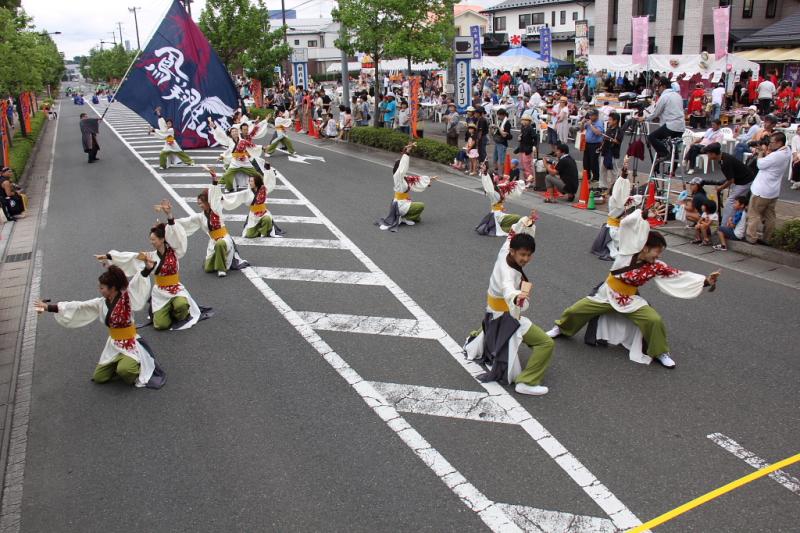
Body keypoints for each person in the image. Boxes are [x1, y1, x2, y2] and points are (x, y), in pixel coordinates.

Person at [547, 211, 720, 369]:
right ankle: (562, 329)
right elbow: (626, 224)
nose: (658, 256)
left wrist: (705, 281)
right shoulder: (626, 252)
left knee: (654, 320)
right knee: (576, 310)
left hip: (630, 299)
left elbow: (678, 275)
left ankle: (659, 351)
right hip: (607, 293)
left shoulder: (656, 266)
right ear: (645, 248)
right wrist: (643, 214)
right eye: (657, 251)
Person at [464, 211, 554, 396]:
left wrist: (526, 223)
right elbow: (508, 288)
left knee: (490, 327)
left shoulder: (506, 249)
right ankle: (527, 382)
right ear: (513, 251)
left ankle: (479, 337)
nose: (526, 259)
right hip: (505, 318)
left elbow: (514, 231)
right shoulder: (508, 273)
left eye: (529, 255)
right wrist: (518, 296)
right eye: (522, 255)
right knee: (546, 343)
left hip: (492, 311)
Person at [35, 263, 165, 388]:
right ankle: (121, 363)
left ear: (112, 288)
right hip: (114, 345)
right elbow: (78, 306)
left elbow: (138, 284)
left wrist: (147, 270)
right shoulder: (100, 303)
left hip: (130, 343)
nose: (100, 290)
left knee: (126, 372)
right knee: (99, 378)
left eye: (102, 287)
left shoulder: (127, 298)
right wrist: (48, 307)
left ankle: (136, 364)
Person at [106, 200, 207, 330]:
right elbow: (131, 257)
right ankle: (164, 309)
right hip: (160, 292)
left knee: (181, 305)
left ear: (162, 239)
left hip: (176, 289)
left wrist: (169, 214)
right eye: (150, 239)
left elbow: (176, 234)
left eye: (153, 239)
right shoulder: (150, 256)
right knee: (160, 325)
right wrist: (110, 257)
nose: (151, 242)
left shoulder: (175, 251)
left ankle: (177, 309)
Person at [175, 186, 248, 277]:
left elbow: (216, 195)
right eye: (198, 204)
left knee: (220, 243)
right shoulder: (200, 217)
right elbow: (186, 221)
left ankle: (222, 269)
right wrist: (170, 220)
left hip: (224, 238)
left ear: (208, 202)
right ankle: (217, 261)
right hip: (213, 241)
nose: (200, 206)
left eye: (201, 203)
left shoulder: (216, 210)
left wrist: (214, 181)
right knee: (208, 268)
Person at [377, 142, 437, 231]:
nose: (403, 167)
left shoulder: (404, 177)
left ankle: (405, 217)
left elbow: (416, 179)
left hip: (402, 202)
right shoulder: (397, 177)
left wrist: (429, 180)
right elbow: (402, 167)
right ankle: (404, 217)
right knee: (421, 206)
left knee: (418, 218)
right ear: (399, 168)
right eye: (401, 166)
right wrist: (407, 152)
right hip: (400, 205)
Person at [746, 131, 791, 244]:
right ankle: (767, 239)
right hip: (773, 191)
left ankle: (751, 237)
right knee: (770, 216)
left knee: (754, 214)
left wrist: (761, 152)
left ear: (779, 142)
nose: (770, 144)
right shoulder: (787, 151)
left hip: (761, 191)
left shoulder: (777, 155)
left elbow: (760, 164)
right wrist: (767, 150)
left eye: (772, 142)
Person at [591, 158, 640, 261]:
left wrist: (624, 175)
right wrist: (623, 175)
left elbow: (631, 197)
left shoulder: (623, 201)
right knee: (616, 248)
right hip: (612, 230)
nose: (627, 190)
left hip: (616, 228)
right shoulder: (615, 201)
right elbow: (620, 189)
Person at [208, 119, 268, 192]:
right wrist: (214, 127)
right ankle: (230, 188)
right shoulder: (229, 141)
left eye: (236, 131)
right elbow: (221, 135)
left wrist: (262, 147)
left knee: (255, 174)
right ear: (230, 134)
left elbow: (252, 146)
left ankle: (262, 184)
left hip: (245, 161)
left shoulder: (242, 140)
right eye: (233, 131)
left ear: (238, 132)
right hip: (235, 162)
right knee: (227, 175)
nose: (235, 132)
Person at [702, 143, 755, 223]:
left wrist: (721, 188)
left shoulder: (725, 162)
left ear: (713, 154)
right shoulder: (723, 157)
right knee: (736, 202)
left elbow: (730, 180)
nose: (707, 155)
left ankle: (725, 225)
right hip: (740, 179)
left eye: (708, 154)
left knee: (730, 201)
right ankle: (733, 220)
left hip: (745, 181)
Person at [640, 78, 685, 164]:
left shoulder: (664, 97)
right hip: (681, 126)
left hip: (671, 126)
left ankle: (664, 154)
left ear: (663, 86)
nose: (658, 89)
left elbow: (655, 113)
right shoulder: (677, 95)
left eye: (659, 87)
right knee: (673, 146)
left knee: (652, 137)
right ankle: (672, 170)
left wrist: (644, 118)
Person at [475, 165, 525, 237]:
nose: (498, 177)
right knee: (518, 218)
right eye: (496, 176)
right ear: (493, 179)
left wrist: (524, 181)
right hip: (497, 216)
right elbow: (487, 184)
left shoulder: (499, 187)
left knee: (518, 220)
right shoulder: (491, 192)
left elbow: (508, 185)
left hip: (500, 214)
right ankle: (505, 228)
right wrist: (484, 173)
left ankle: (506, 227)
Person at [599, 112, 624, 192]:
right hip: (605, 152)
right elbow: (604, 140)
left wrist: (608, 138)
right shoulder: (609, 128)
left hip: (614, 153)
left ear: (615, 121)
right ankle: (603, 185)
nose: (608, 121)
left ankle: (614, 186)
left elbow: (618, 141)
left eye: (610, 119)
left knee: (614, 171)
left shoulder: (619, 130)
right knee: (602, 169)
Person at [582, 109, 604, 183]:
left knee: (593, 161)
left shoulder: (599, 123)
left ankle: (595, 177)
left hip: (595, 144)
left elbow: (598, 133)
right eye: (590, 115)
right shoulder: (588, 122)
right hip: (587, 143)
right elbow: (582, 129)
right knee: (586, 161)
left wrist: (591, 125)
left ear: (596, 116)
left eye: (592, 115)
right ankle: (587, 176)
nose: (590, 116)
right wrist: (582, 123)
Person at [515, 112, 536, 184]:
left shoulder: (530, 129)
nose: (523, 121)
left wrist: (534, 146)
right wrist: (519, 138)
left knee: (527, 165)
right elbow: (521, 136)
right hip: (522, 147)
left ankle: (530, 180)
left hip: (527, 148)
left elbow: (535, 138)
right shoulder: (523, 127)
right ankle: (526, 179)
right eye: (523, 120)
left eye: (525, 120)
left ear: (529, 121)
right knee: (522, 165)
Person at [492, 108, 512, 174]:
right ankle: (496, 172)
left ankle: (501, 174)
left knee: (501, 160)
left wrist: (498, 128)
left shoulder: (507, 123)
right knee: (494, 158)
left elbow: (504, 135)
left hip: (502, 143)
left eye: (499, 115)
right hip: (497, 142)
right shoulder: (501, 122)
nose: (498, 117)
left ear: (503, 115)